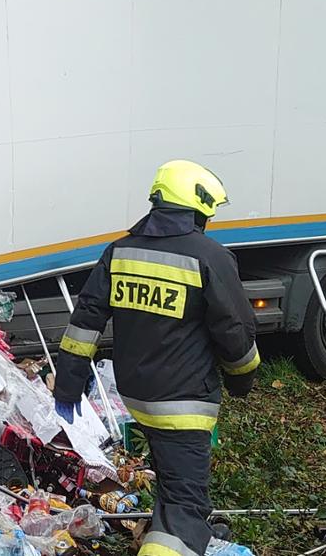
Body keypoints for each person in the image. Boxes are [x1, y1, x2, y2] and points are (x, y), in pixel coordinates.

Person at [51, 160, 259, 556]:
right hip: (183, 402)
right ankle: (176, 536)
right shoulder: (210, 256)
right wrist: (241, 379)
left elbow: (85, 323)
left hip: (136, 397)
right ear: (196, 210)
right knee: (185, 506)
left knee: (174, 479)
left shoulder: (120, 251)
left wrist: (68, 384)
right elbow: (234, 332)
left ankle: (181, 525)